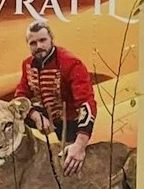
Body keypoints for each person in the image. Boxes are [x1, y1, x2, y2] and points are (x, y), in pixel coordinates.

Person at [12, 20, 97, 175]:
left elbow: (87, 104)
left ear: (51, 38)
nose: (38, 46)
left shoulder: (71, 63)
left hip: (70, 124)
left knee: (69, 167)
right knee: (12, 113)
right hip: (45, 121)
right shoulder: (27, 64)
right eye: (33, 43)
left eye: (42, 40)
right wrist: (35, 116)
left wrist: (80, 145)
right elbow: (19, 98)